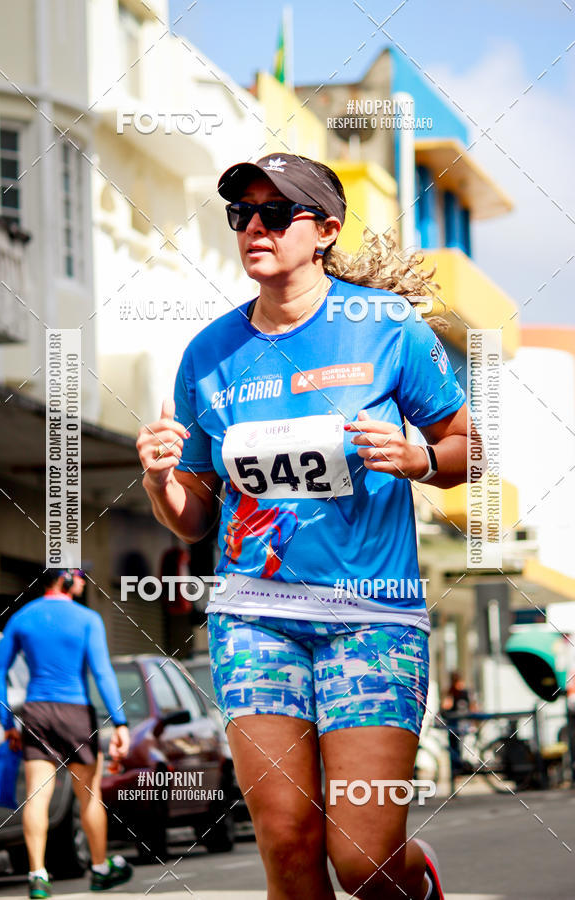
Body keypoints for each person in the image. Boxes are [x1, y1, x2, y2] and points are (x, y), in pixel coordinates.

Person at [137, 153, 471, 899]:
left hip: (371, 616)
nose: (254, 227)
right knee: (289, 846)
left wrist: (419, 458)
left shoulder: (386, 329)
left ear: (323, 231)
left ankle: (418, 884)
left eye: (275, 213)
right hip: (255, 617)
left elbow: (468, 452)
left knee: (363, 859)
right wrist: (162, 477)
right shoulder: (209, 354)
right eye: (241, 214)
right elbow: (192, 519)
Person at [0, 568, 134, 898]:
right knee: (89, 794)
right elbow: (102, 672)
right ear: (66, 577)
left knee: (37, 795)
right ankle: (99, 869)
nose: (84, 581)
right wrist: (121, 721)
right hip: (75, 712)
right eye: (81, 574)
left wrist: (7, 723)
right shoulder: (87, 618)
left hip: (36, 712)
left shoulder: (21, 617)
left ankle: (37, 876)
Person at [441, 670, 476, 777]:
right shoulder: (461, 692)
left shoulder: (452, 692)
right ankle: (458, 769)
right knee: (458, 746)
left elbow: (446, 706)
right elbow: (471, 705)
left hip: (454, 722)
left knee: (454, 746)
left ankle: (456, 770)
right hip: (461, 721)